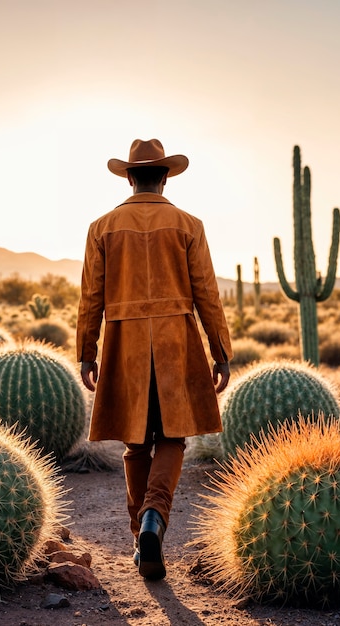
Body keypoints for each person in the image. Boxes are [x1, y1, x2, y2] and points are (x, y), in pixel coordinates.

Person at [76, 138, 232, 581]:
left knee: (134, 442)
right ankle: (154, 519)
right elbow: (207, 293)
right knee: (172, 437)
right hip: (175, 342)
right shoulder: (188, 224)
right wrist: (220, 351)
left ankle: (138, 532)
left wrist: (87, 351)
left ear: (129, 177)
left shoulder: (102, 227)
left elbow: (91, 296)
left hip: (124, 343)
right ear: (164, 177)